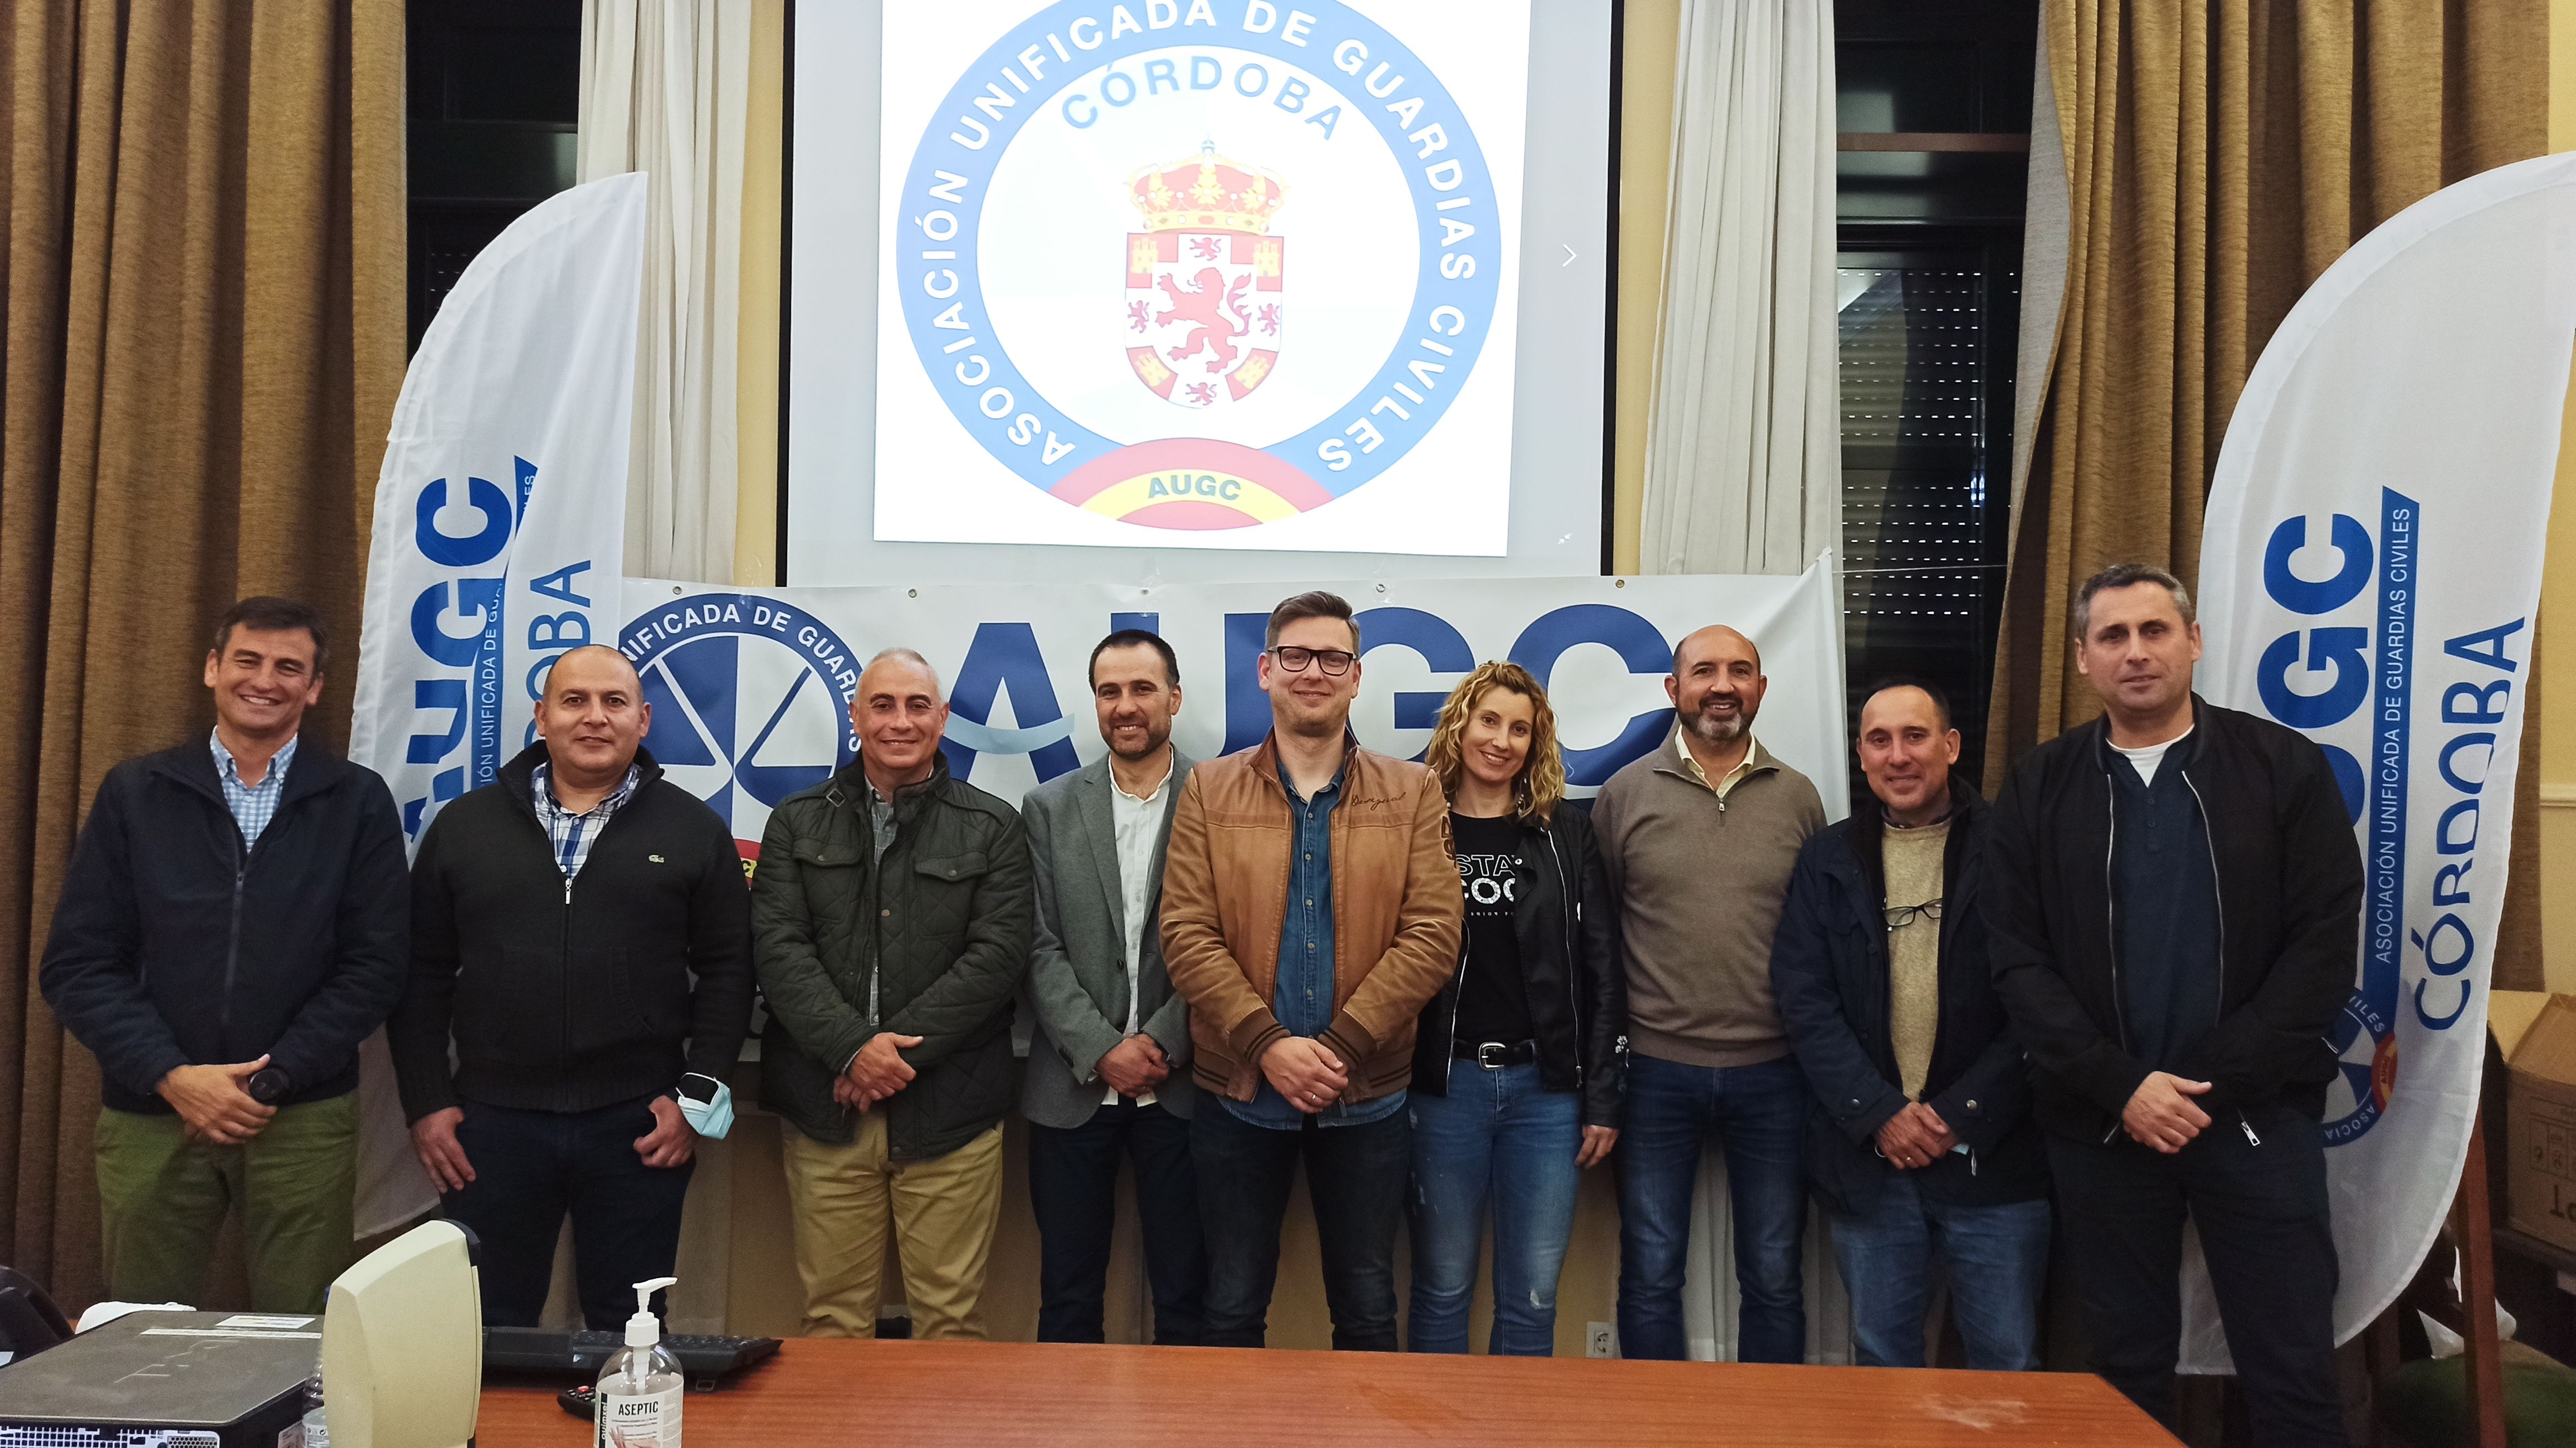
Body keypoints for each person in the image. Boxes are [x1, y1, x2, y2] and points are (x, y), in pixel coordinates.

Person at [1986, 564, 2361, 1445]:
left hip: (2256, 1121)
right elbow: (2016, 961)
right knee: (2125, 1372)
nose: (2137, 653)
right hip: (2104, 1127)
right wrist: (2124, 1087)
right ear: (2083, 659)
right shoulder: (2040, 788)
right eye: (2113, 637)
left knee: (2295, 1370)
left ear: (2194, 642)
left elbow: (2323, 949)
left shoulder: (2282, 769)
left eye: (2155, 631)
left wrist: (2206, 1087)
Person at [41, 597, 407, 1314]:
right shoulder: (136, 793)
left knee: (301, 1339)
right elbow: (78, 963)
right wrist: (174, 1076)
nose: (264, 679)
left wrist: (271, 1082)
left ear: (315, 687)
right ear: (213, 669)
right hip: (153, 1110)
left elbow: (376, 966)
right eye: (248, 660)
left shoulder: (357, 801)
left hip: (300, 1117)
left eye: (288, 667)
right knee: (141, 1337)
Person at [391, 644, 754, 1330]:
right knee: (486, 1323)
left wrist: (695, 1102)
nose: (595, 717)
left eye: (614, 702)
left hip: (641, 1122)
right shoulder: (465, 827)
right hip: (490, 1124)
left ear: (643, 719)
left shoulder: (694, 830)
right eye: (574, 700)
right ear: (542, 716)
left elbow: (730, 971)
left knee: (633, 1324)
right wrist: (427, 1100)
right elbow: (422, 971)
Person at [1160, 590, 1461, 1351]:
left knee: (1366, 1309)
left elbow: (1433, 934)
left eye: (1333, 659)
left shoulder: (1414, 790)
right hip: (1239, 1093)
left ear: (1357, 677)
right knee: (1229, 1307)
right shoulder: (1210, 789)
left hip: (1366, 1097)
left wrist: (1340, 1047)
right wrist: (1268, 1045)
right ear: (1265, 670)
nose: (1313, 673)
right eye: (1296, 657)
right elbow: (1187, 934)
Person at [751, 648, 1033, 1341]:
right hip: (826, 1107)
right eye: (882, 705)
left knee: (951, 1323)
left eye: (916, 706)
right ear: (855, 716)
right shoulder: (795, 822)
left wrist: (886, 1059)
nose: (899, 721)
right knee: (831, 1321)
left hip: (951, 1114)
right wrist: (851, 1049)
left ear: (942, 719)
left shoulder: (993, 825)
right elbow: (778, 950)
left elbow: (996, 959)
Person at [1768, 678, 2048, 1370]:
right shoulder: (1826, 859)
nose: (1898, 755)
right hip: (1872, 1161)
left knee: (2006, 1363)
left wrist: (1961, 1111)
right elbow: (1804, 998)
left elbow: (2043, 1001)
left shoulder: (2017, 852)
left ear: (1950, 746)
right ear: (1860, 756)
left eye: (1915, 736)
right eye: (1879, 739)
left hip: (1995, 1161)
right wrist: (1881, 1113)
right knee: (1881, 1361)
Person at [1592, 624, 1825, 1363]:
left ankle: (1775, 1431)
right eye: (1704, 671)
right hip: (1657, 1072)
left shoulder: (1799, 798)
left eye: (1740, 671)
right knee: (1653, 1272)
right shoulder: (1625, 796)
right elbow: (1598, 941)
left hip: (1776, 1074)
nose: (1722, 685)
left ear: (1760, 688)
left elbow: (1820, 938)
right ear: (1673, 689)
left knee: (1775, 1272)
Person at [1404, 662, 1626, 1356]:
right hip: (1444, 1088)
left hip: (1545, 1094)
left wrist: (1603, 1097)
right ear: (1459, 725)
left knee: (1532, 1298)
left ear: (1536, 743)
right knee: (1441, 1289)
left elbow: (1602, 966)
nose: (1501, 740)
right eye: (1489, 720)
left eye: (1519, 728)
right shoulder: (1417, 821)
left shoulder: (1565, 831)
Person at [1018, 630, 1204, 1344]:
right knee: (1067, 1299)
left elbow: (1235, 940)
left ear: (1174, 698)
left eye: (1142, 689)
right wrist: (1101, 1048)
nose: (1125, 706)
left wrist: (1161, 1038)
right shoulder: (1048, 807)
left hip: (1184, 1087)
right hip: (1071, 1089)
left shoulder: (1220, 798)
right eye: (1109, 691)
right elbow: (1034, 945)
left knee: (1187, 1297)